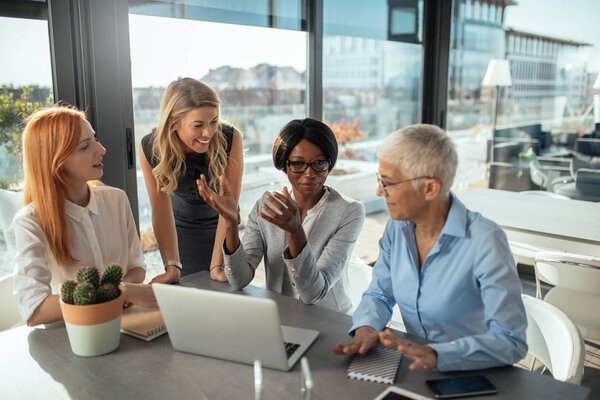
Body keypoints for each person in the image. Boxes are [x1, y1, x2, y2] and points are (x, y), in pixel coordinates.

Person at [333, 124, 528, 371]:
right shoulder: (397, 227)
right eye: (379, 180)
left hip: (477, 376)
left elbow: (511, 341)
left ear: (430, 188)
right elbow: (379, 294)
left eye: (388, 183)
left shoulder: (485, 241)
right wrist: (366, 329)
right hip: (417, 369)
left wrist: (437, 354)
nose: (379, 191)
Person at [198, 118, 365, 313]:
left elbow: (313, 293)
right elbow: (239, 280)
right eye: (298, 164)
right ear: (284, 166)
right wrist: (230, 222)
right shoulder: (265, 206)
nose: (310, 173)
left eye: (319, 163)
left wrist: (295, 230)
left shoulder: (349, 212)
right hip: (279, 316)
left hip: (330, 319)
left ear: (330, 163)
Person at [13, 106, 155, 327]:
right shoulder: (30, 221)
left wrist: (116, 297)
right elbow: (34, 310)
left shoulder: (116, 200)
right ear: (56, 161)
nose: (102, 149)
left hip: (123, 324)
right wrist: (121, 293)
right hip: (68, 336)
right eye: (85, 146)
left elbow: (137, 267)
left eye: (95, 139)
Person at [140, 78, 243, 283]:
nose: (208, 133)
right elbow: (160, 212)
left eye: (214, 122)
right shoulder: (151, 148)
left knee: (227, 291)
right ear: (173, 122)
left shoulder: (231, 138)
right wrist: (172, 266)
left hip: (225, 228)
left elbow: (230, 206)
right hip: (181, 232)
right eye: (198, 125)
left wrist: (218, 265)